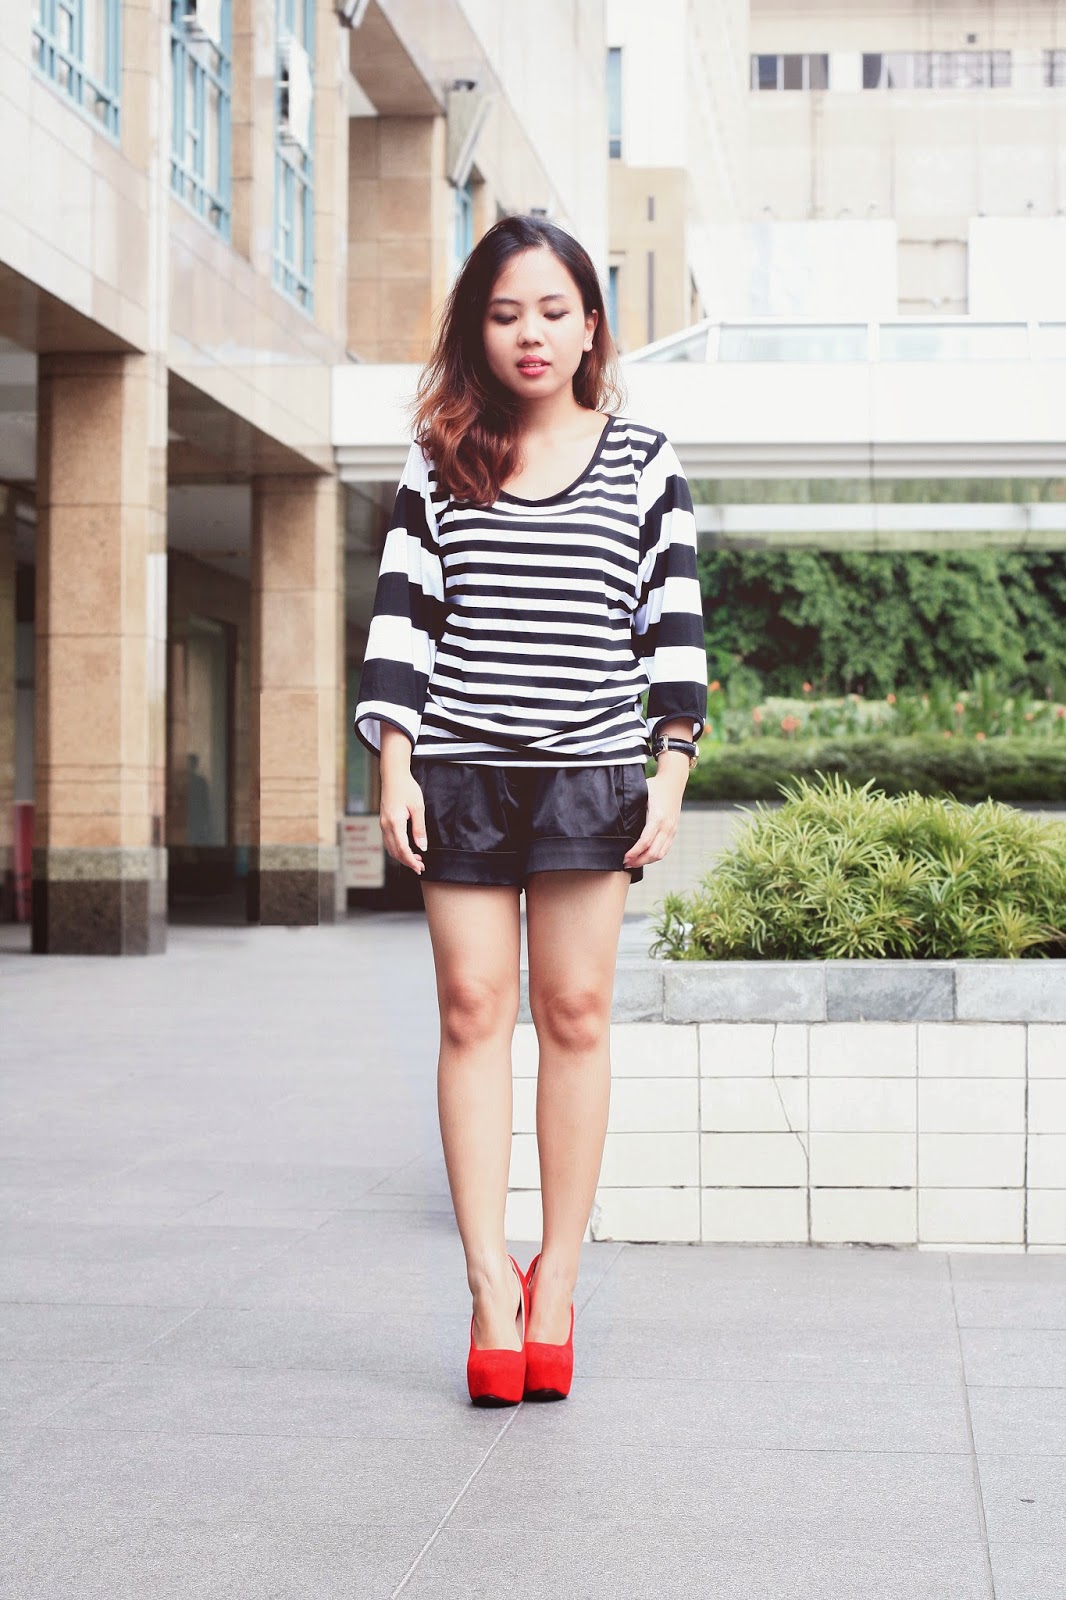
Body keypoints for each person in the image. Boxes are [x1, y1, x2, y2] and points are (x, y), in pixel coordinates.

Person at [353, 216, 708, 1406]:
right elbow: (402, 619)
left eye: (553, 311)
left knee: (574, 1012)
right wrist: (394, 762)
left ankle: (554, 1278)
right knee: (471, 1011)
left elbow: (674, 625)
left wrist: (670, 769)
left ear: (590, 324)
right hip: (458, 769)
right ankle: (485, 1287)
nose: (530, 334)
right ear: (477, 329)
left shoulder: (643, 458)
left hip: (591, 772)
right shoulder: (440, 456)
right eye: (505, 314)